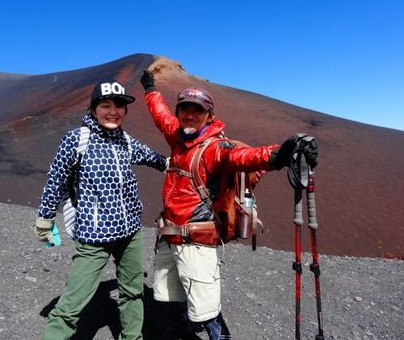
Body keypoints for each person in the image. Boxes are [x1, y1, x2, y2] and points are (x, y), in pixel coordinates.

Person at [140, 70, 318, 340]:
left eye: (196, 110)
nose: (189, 115)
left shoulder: (214, 148)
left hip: (196, 241)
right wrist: (150, 90)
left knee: (206, 309)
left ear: (209, 116)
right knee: (167, 296)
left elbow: (244, 157)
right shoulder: (177, 136)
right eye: (184, 109)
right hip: (168, 237)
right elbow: (160, 115)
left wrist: (279, 154)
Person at [34, 80, 168, 340]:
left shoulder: (124, 141)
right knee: (73, 302)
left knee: (132, 292)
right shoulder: (78, 140)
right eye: (105, 105)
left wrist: (175, 164)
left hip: (130, 232)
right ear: (93, 108)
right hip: (94, 237)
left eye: (119, 106)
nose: (113, 111)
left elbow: (154, 158)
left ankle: (132, 337)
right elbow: (56, 180)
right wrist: (45, 216)